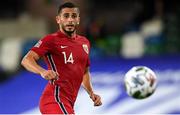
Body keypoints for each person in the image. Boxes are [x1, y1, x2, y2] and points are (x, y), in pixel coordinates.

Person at [21, 2, 102, 114]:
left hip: (68, 103)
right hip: (54, 99)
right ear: (58, 19)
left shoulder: (84, 42)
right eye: (66, 16)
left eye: (73, 16)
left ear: (78, 20)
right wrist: (42, 71)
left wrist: (91, 93)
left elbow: (84, 72)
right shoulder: (50, 40)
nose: (70, 20)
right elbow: (26, 59)